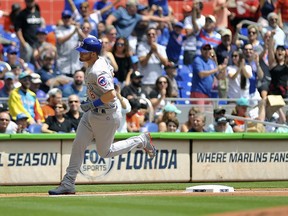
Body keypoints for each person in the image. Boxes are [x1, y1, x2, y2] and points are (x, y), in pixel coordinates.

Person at [48, 37, 156, 195]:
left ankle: (141, 140)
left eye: (84, 52)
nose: (81, 53)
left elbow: (112, 94)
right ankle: (68, 183)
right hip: (92, 113)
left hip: (106, 115)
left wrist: (92, 103)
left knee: (105, 152)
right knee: (78, 145)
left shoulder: (97, 70)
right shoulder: (98, 61)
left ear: (92, 54)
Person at [137, 27, 169, 94]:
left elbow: (166, 63)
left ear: (156, 35)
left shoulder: (161, 48)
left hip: (158, 83)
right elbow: (142, 63)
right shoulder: (141, 47)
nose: (151, 36)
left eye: (153, 34)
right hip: (145, 82)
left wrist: (156, 52)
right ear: (146, 36)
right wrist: (150, 52)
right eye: (149, 34)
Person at [267, 33, 288, 98]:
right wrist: (271, 37)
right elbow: (270, 50)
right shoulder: (273, 64)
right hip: (274, 92)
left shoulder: (286, 65)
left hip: (285, 92)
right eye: (278, 50)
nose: (280, 52)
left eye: (282, 50)